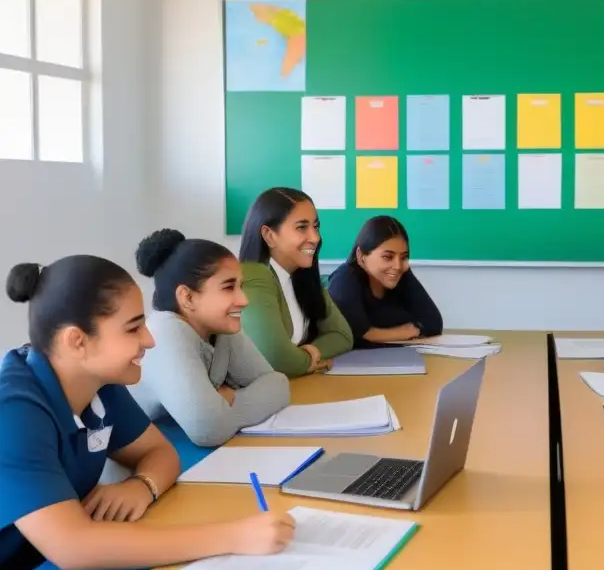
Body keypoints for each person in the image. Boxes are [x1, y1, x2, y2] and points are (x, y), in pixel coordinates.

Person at [0, 256, 295, 570]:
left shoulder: (98, 380)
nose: (150, 340)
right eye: (133, 328)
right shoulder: (13, 410)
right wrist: (234, 536)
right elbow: (73, 547)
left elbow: (160, 453)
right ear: (77, 341)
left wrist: (143, 485)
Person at [131, 229, 290, 447]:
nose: (243, 300)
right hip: (144, 463)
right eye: (228, 287)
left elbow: (279, 385)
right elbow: (208, 429)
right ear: (187, 297)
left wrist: (229, 402)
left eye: (240, 287)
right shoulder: (165, 333)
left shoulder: (219, 326)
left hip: (184, 450)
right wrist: (225, 405)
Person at [238, 187, 354, 377]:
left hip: (296, 390)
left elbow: (342, 336)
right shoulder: (254, 276)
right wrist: (308, 360)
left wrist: (306, 355)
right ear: (269, 235)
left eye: (315, 226)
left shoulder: (303, 276)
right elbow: (277, 359)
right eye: (302, 227)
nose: (315, 237)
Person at [327, 216, 442, 348]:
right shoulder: (344, 279)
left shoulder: (402, 273)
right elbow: (355, 336)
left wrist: (377, 334)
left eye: (404, 257)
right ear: (361, 256)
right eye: (388, 257)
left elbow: (434, 322)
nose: (398, 265)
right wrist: (406, 331)